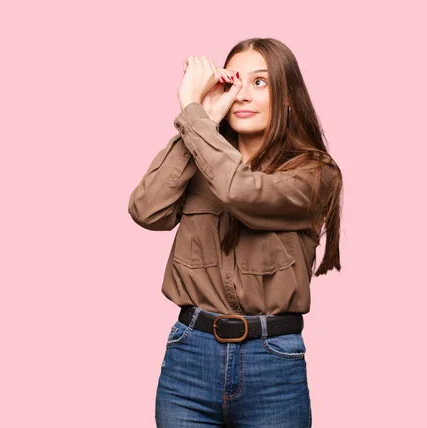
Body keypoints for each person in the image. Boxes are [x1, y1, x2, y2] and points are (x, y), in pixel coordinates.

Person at [127, 38, 343, 427]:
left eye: (260, 83)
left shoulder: (315, 173)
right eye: (234, 82)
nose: (243, 94)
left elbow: (240, 191)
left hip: (272, 364)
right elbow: (146, 210)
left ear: (289, 97)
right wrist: (203, 121)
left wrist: (193, 114)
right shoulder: (200, 153)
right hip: (189, 359)